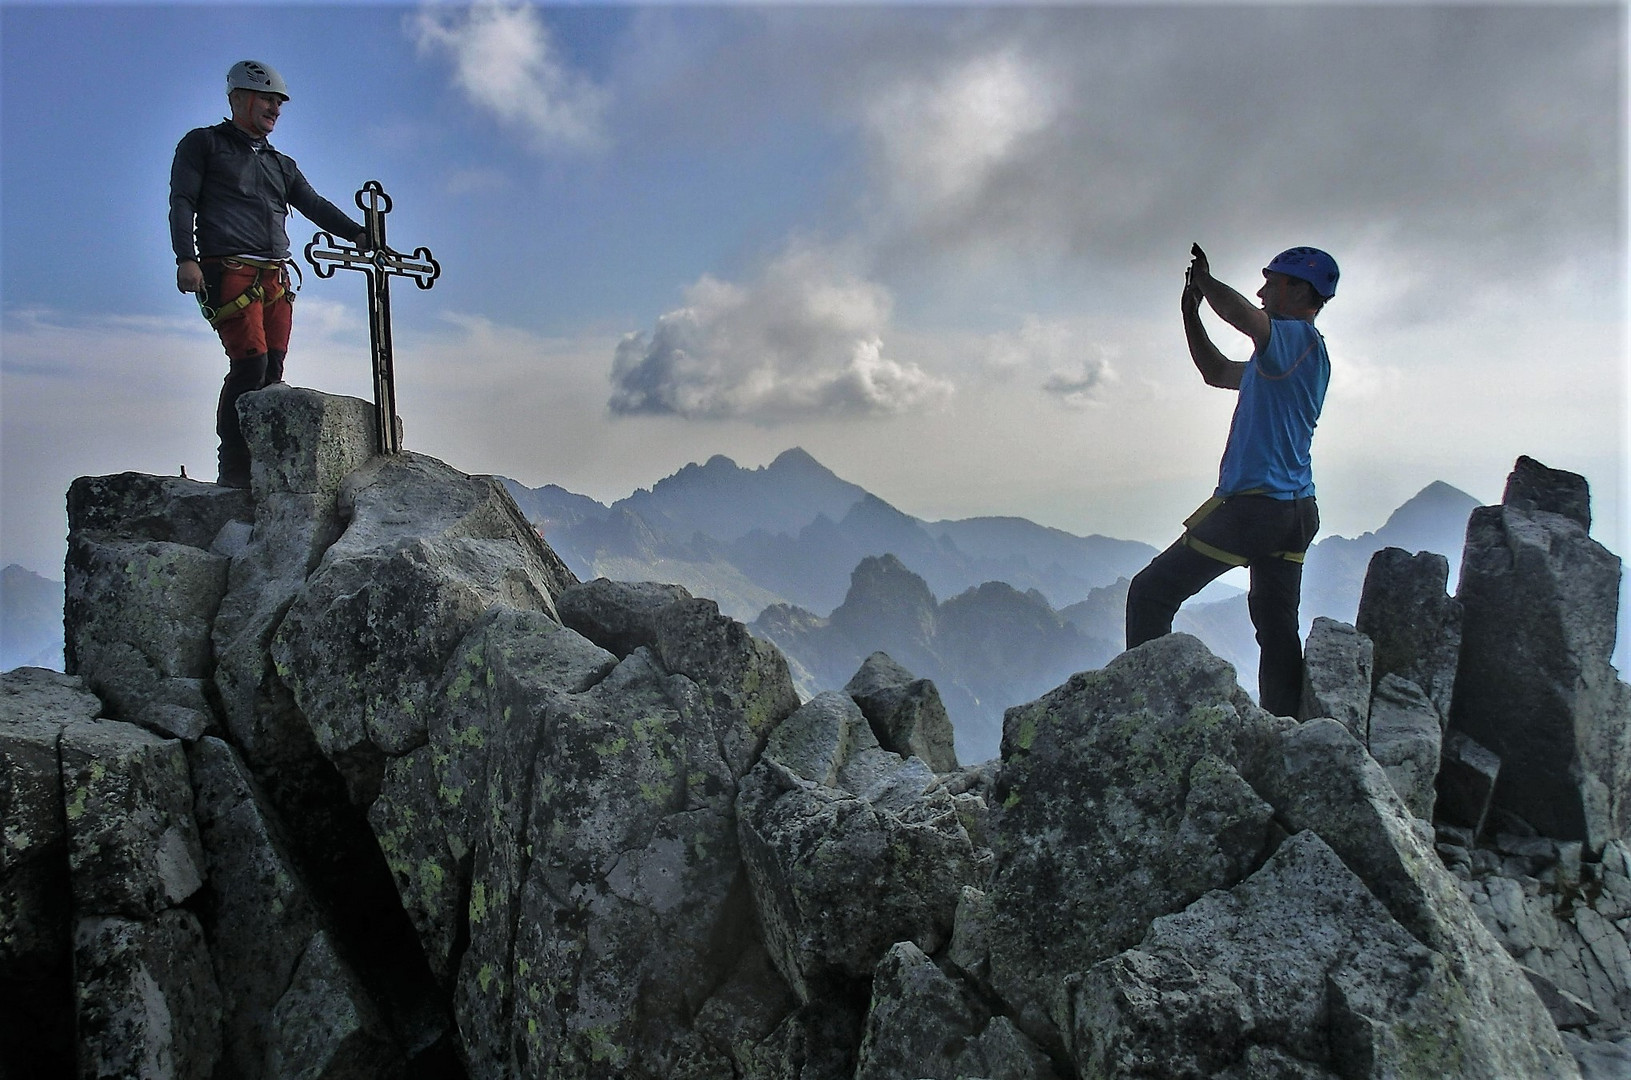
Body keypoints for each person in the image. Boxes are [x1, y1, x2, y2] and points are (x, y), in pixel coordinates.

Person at [1125, 243, 1339, 716]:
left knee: (1150, 592)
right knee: (1275, 624)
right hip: (1297, 511)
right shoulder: (1290, 359)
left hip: (1255, 510)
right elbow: (1217, 371)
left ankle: (1145, 710)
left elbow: (1245, 316)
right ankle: (1286, 724)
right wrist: (1191, 313)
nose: (1262, 292)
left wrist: (1204, 280)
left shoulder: (1294, 339)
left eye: (1272, 283)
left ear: (1299, 290)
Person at [169, 60, 367, 488]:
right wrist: (186, 257)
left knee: (272, 369)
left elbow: (313, 204)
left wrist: (358, 233)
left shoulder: (282, 164)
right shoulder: (204, 144)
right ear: (238, 97)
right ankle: (235, 468)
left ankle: (261, 465)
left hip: (274, 279)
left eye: (279, 102)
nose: (275, 108)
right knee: (249, 365)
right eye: (267, 98)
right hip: (229, 271)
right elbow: (183, 200)